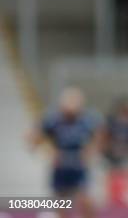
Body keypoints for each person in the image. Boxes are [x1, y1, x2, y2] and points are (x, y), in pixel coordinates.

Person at [30, 87, 100, 218]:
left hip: (79, 166)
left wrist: (90, 153)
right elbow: (36, 138)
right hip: (61, 166)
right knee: (61, 203)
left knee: (85, 200)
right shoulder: (53, 120)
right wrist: (49, 151)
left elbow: (98, 137)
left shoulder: (86, 121)